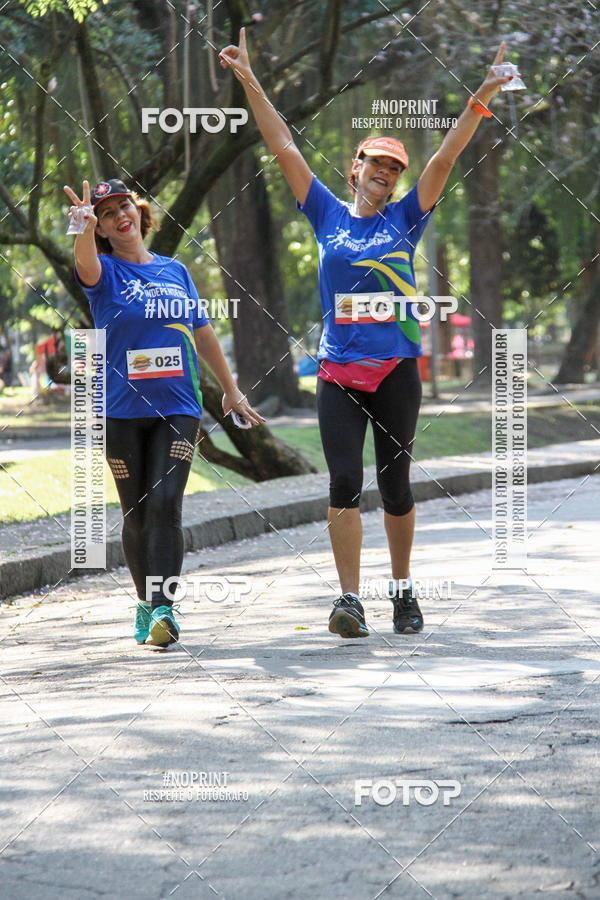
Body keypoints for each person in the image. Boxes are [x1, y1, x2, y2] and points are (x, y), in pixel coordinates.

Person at [219, 29, 512, 639]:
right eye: (376, 163)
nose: (385, 172)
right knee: (345, 481)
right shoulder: (326, 212)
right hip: (337, 372)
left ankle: (402, 592)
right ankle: (349, 599)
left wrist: (480, 98)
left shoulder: (407, 218)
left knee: (395, 485)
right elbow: (282, 143)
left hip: (396, 370)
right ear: (355, 169)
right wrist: (248, 78)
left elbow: (444, 158)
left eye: (393, 168)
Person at [64, 178, 264, 647]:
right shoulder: (104, 273)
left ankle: (163, 609)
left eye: (124, 206)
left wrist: (230, 389)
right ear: (102, 229)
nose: (119, 215)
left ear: (139, 213)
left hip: (178, 407)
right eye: (107, 213)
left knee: (165, 503)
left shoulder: (175, 271)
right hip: (120, 411)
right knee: (135, 511)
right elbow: (84, 262)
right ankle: (144, 603)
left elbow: (203, 332)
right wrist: (82, 228)